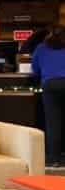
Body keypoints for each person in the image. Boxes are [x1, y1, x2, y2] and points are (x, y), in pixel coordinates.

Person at [32, 25, 65, 167]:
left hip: (50, 85)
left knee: (53, 123)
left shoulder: (41, 48)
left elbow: (35, 69)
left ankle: (54, 159)